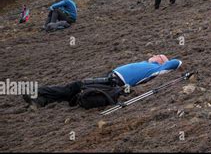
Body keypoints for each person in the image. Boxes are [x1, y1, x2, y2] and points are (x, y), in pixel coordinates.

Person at [22, 55, 182, 108]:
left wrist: (166, 62)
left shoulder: (155, 68)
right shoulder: (148, 65)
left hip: (114, 83)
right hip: (111, 78)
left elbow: (176, 62)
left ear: (161, 61)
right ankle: (41, 100)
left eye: (158, 55)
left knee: (75, 87)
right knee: (74, 91)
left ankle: (38, 92)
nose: (153, 55)